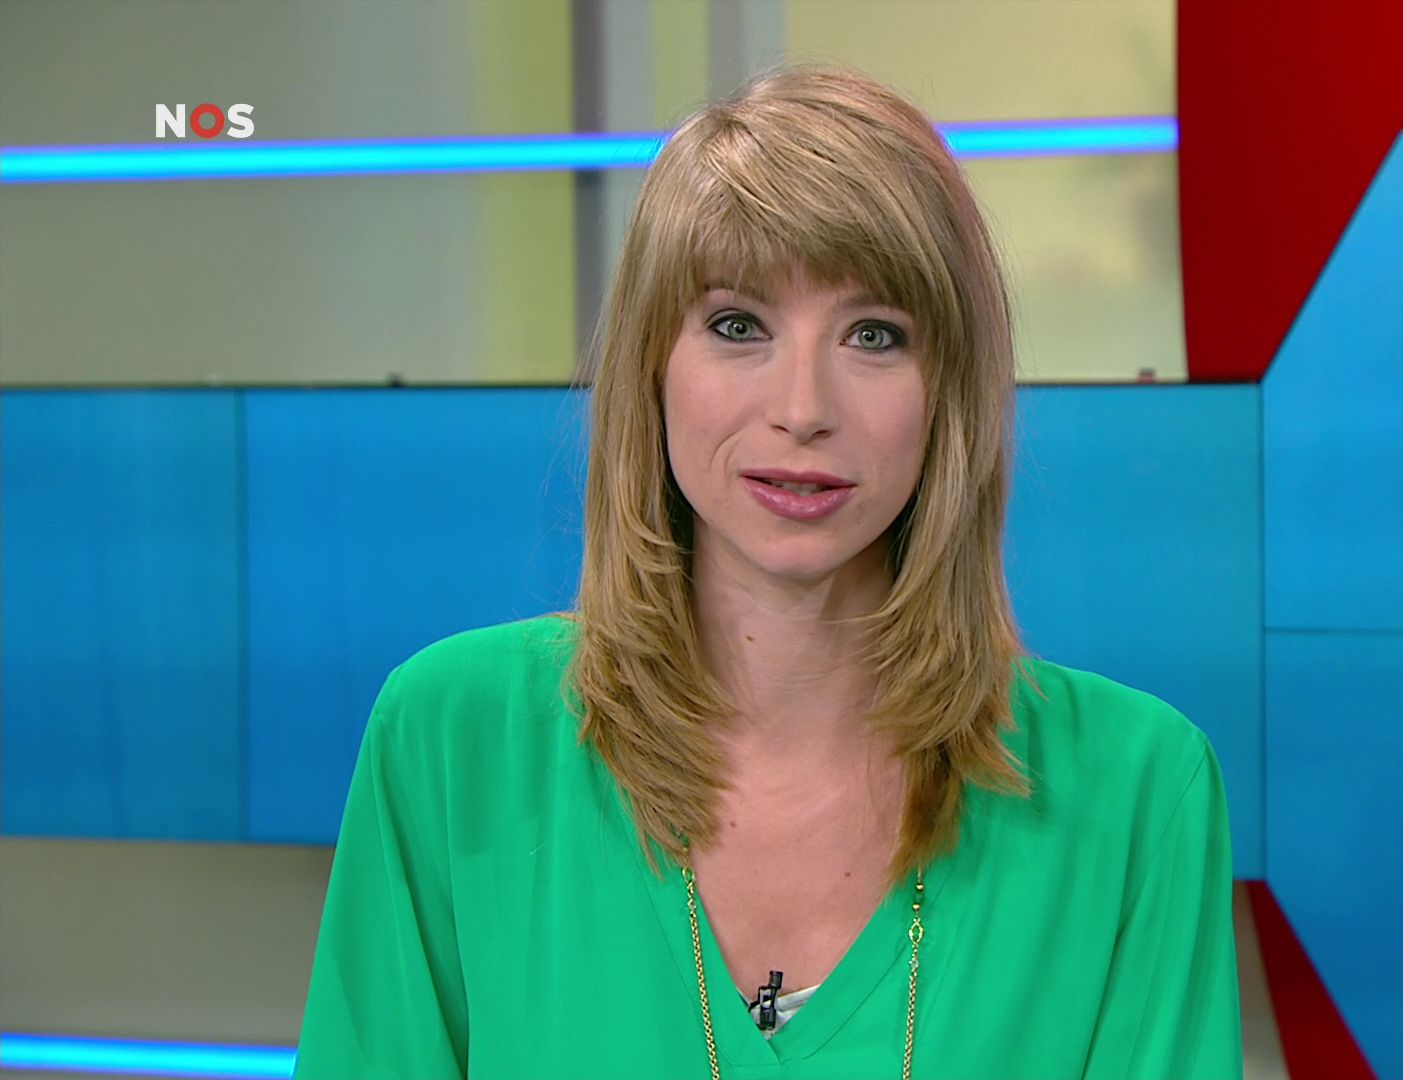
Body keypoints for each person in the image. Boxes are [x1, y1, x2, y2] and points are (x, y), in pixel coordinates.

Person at [292, 64, 1242, 1079]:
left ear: (949, 396)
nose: (803, 409)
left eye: (874, 335)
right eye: (738, 325)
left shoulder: (1139, 791)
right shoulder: (453, 739)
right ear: (653, 368)